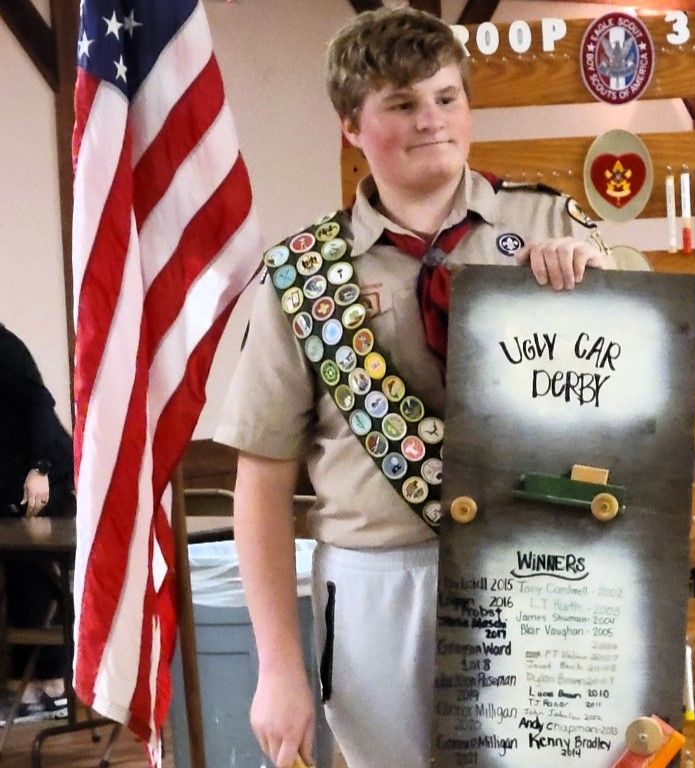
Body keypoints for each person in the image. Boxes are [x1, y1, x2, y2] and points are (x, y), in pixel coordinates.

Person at [215, 8, 612, 768]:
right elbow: (260, 482)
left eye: (446, 98)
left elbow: (646, 373)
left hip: (534, 566)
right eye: (401, 104)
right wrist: (276, 667)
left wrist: (600, 284)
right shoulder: (302, 275)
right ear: (352, 126)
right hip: (376, 587)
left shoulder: (548, 221)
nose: (431, 120)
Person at [0, 322, 75, 720]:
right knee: (15, 569)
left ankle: (53, 684)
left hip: (43, 477)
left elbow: (39, 406)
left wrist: (41, 467)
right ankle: (26, 687)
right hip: (12, 490)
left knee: (30, 570)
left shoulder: (5, 348)